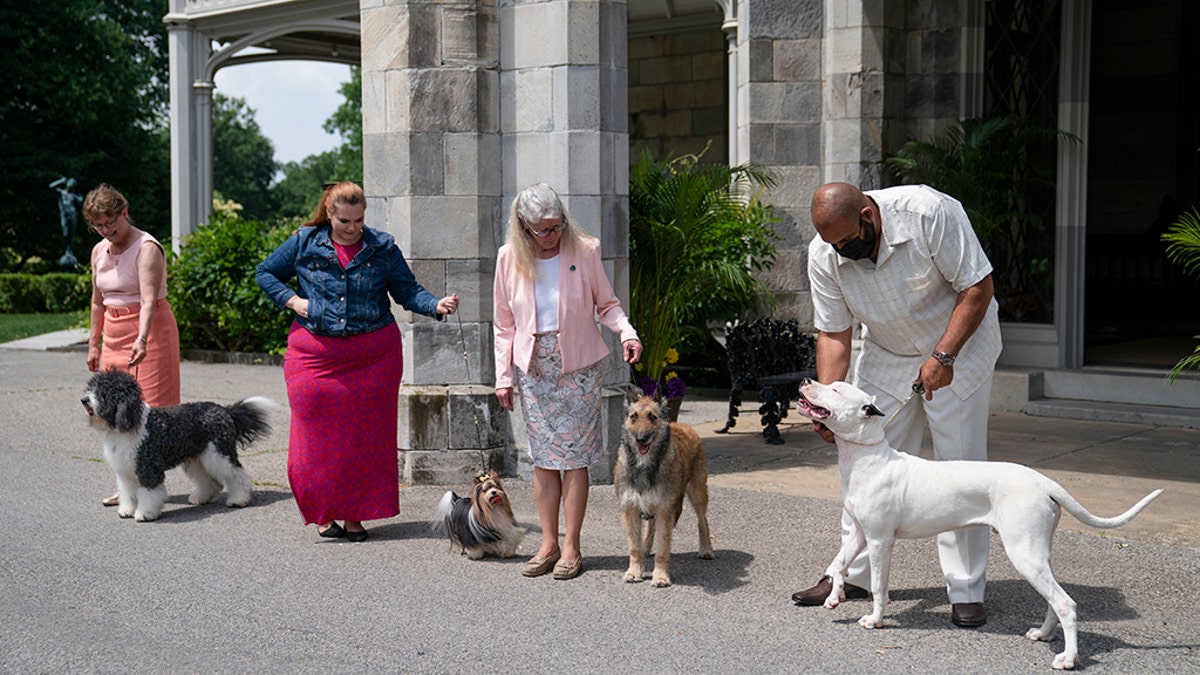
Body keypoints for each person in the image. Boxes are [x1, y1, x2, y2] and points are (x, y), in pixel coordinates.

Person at [794, 182, 1002, 628]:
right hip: (887, 354)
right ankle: (848, 577)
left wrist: (943, 355)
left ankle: (966, 590)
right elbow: (834, 333)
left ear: (867, 216)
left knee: (959, 471)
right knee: (868, 469)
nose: (840, 253)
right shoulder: (825, 252)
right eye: (832, 245)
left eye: (847, 243)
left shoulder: (929, 213)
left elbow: (977, 287)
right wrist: (828, 406)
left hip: (958, 347)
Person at [256, 182, 459, 543]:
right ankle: (322, 511)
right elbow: (265, 273)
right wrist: (293, 301)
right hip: (314, 356)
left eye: (359, 220)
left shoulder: (381, 246)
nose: (353, 228)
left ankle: (355, 515)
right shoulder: (305, 241)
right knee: (314, 439)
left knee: (364, 440)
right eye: (345, 221)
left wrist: (435, 305)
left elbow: (407, 291)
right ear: (329, 214)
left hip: (374, 357)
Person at [493, 183, 643, 580]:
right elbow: (503, 324)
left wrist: (626, 332)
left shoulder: (585, 249)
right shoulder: (508, 258)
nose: (552, 235)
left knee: (575, 459)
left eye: (557, 225)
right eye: (542, 229)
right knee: (544, 459)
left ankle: (572, 545)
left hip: (577, 368)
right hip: (534, 370)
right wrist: (503, 377)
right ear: (523, 226)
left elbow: (607, 304)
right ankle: (548, 542)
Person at [84, 184, 182, 507]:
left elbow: (149, 299)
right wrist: (93, 344)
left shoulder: (146, 247)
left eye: (110, 222)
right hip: (113, 330)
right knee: (115, 414)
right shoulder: (99, 251)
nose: (105, 230)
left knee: (151, 411)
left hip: (149, 329)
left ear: (124, 212)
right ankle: (126, 485)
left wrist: (142, 338)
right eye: (98, 225)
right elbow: (97, 301)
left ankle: (151, 480)